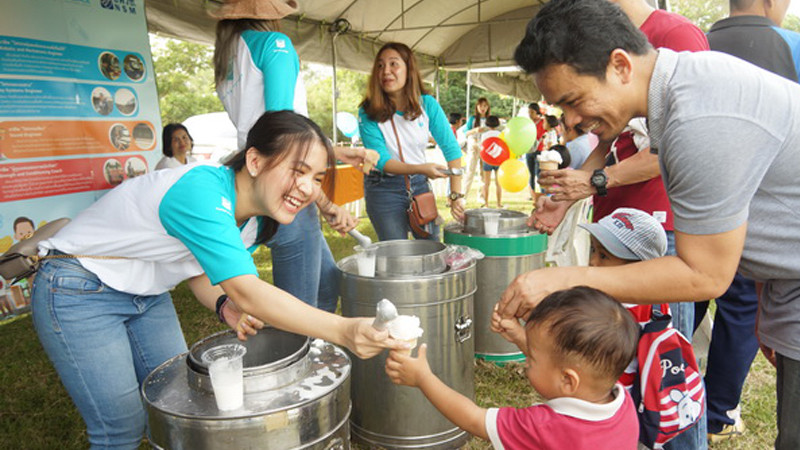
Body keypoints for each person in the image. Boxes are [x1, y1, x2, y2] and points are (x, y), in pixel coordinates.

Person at [500, 1, 800, 448]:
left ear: (620, 65)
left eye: (573, 100)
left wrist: (559, 280)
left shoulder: (699, 117)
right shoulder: (679, 90)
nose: (572, 122)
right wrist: (774, 311)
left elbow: (705, 274)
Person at [31, 111, 399, 449]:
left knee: (180, 403)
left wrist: (226, 306)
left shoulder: (252, 218)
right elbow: (251, 293)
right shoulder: (203, 193)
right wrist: (345, 330)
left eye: (316, 179)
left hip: (147, 294)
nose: (306, 188)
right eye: (297, 171)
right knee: (121, 428)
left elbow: (198, 271)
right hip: (77, 287)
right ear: (254, 161)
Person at [528, 4, 710, 445]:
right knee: (614, 357)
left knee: (663, 364)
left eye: (571, 103)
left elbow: (669, 150)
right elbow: (608, 136)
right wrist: (568, 198)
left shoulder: (673, 38)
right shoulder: (599, 42)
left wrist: (594, 180)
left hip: (658, 229)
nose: (571, 122)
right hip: (614, 222)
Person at [213, 0, 359, 313]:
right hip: (285, 181)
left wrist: (325, 202)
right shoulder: (274, 43)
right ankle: (302, 359)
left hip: (255, 175)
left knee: (327, 282)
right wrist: (327, 196)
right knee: (300, 309)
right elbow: (284, 132)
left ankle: (316, 353)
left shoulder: (227, 60)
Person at [697, 0, 800, 442]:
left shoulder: (697, 48)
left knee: (683, 303)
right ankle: (718, 409)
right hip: (770, 230)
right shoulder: (791, 47)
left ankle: (667, 401)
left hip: (700, 214)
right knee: (740, 308)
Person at [387, 286, 640, 450]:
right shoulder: (621, 402)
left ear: (569, 380)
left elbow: (474, 419)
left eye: (531, 360)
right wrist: (521, 337)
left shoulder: (544, 426)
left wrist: (423, 377)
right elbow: (556, 365)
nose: (526, 361)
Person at [358, 42, 464, 241]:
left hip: (419, 186)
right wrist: (421, 168)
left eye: (393, 64)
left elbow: (452, 149)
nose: (386, 71)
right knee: (396, 256)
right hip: (382, 187)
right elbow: (382, 162)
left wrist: (456, 195)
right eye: (380, 66)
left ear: (409, 69)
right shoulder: (367, 111)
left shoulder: (427, 104)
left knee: (432, 250)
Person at [461, 98, 491, 205]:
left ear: (487, 107)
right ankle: (463, 197)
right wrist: (475, 130)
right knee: (470, 171)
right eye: (480, 106)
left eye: (485, 106)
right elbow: (466, 132)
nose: (482, 108)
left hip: (485, 148)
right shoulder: (472, 119)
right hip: (473, 147)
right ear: (477, 107)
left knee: (483, 174)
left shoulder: (489, 119)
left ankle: (481, 197)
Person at [476, 115, 503, 208]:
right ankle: (499, 204)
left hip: (487, 160)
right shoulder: (500, 134)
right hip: (498, 160)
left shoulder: (484, 135)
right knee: (498, 183)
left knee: (486, 183)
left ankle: (486, 203)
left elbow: (482, 147)